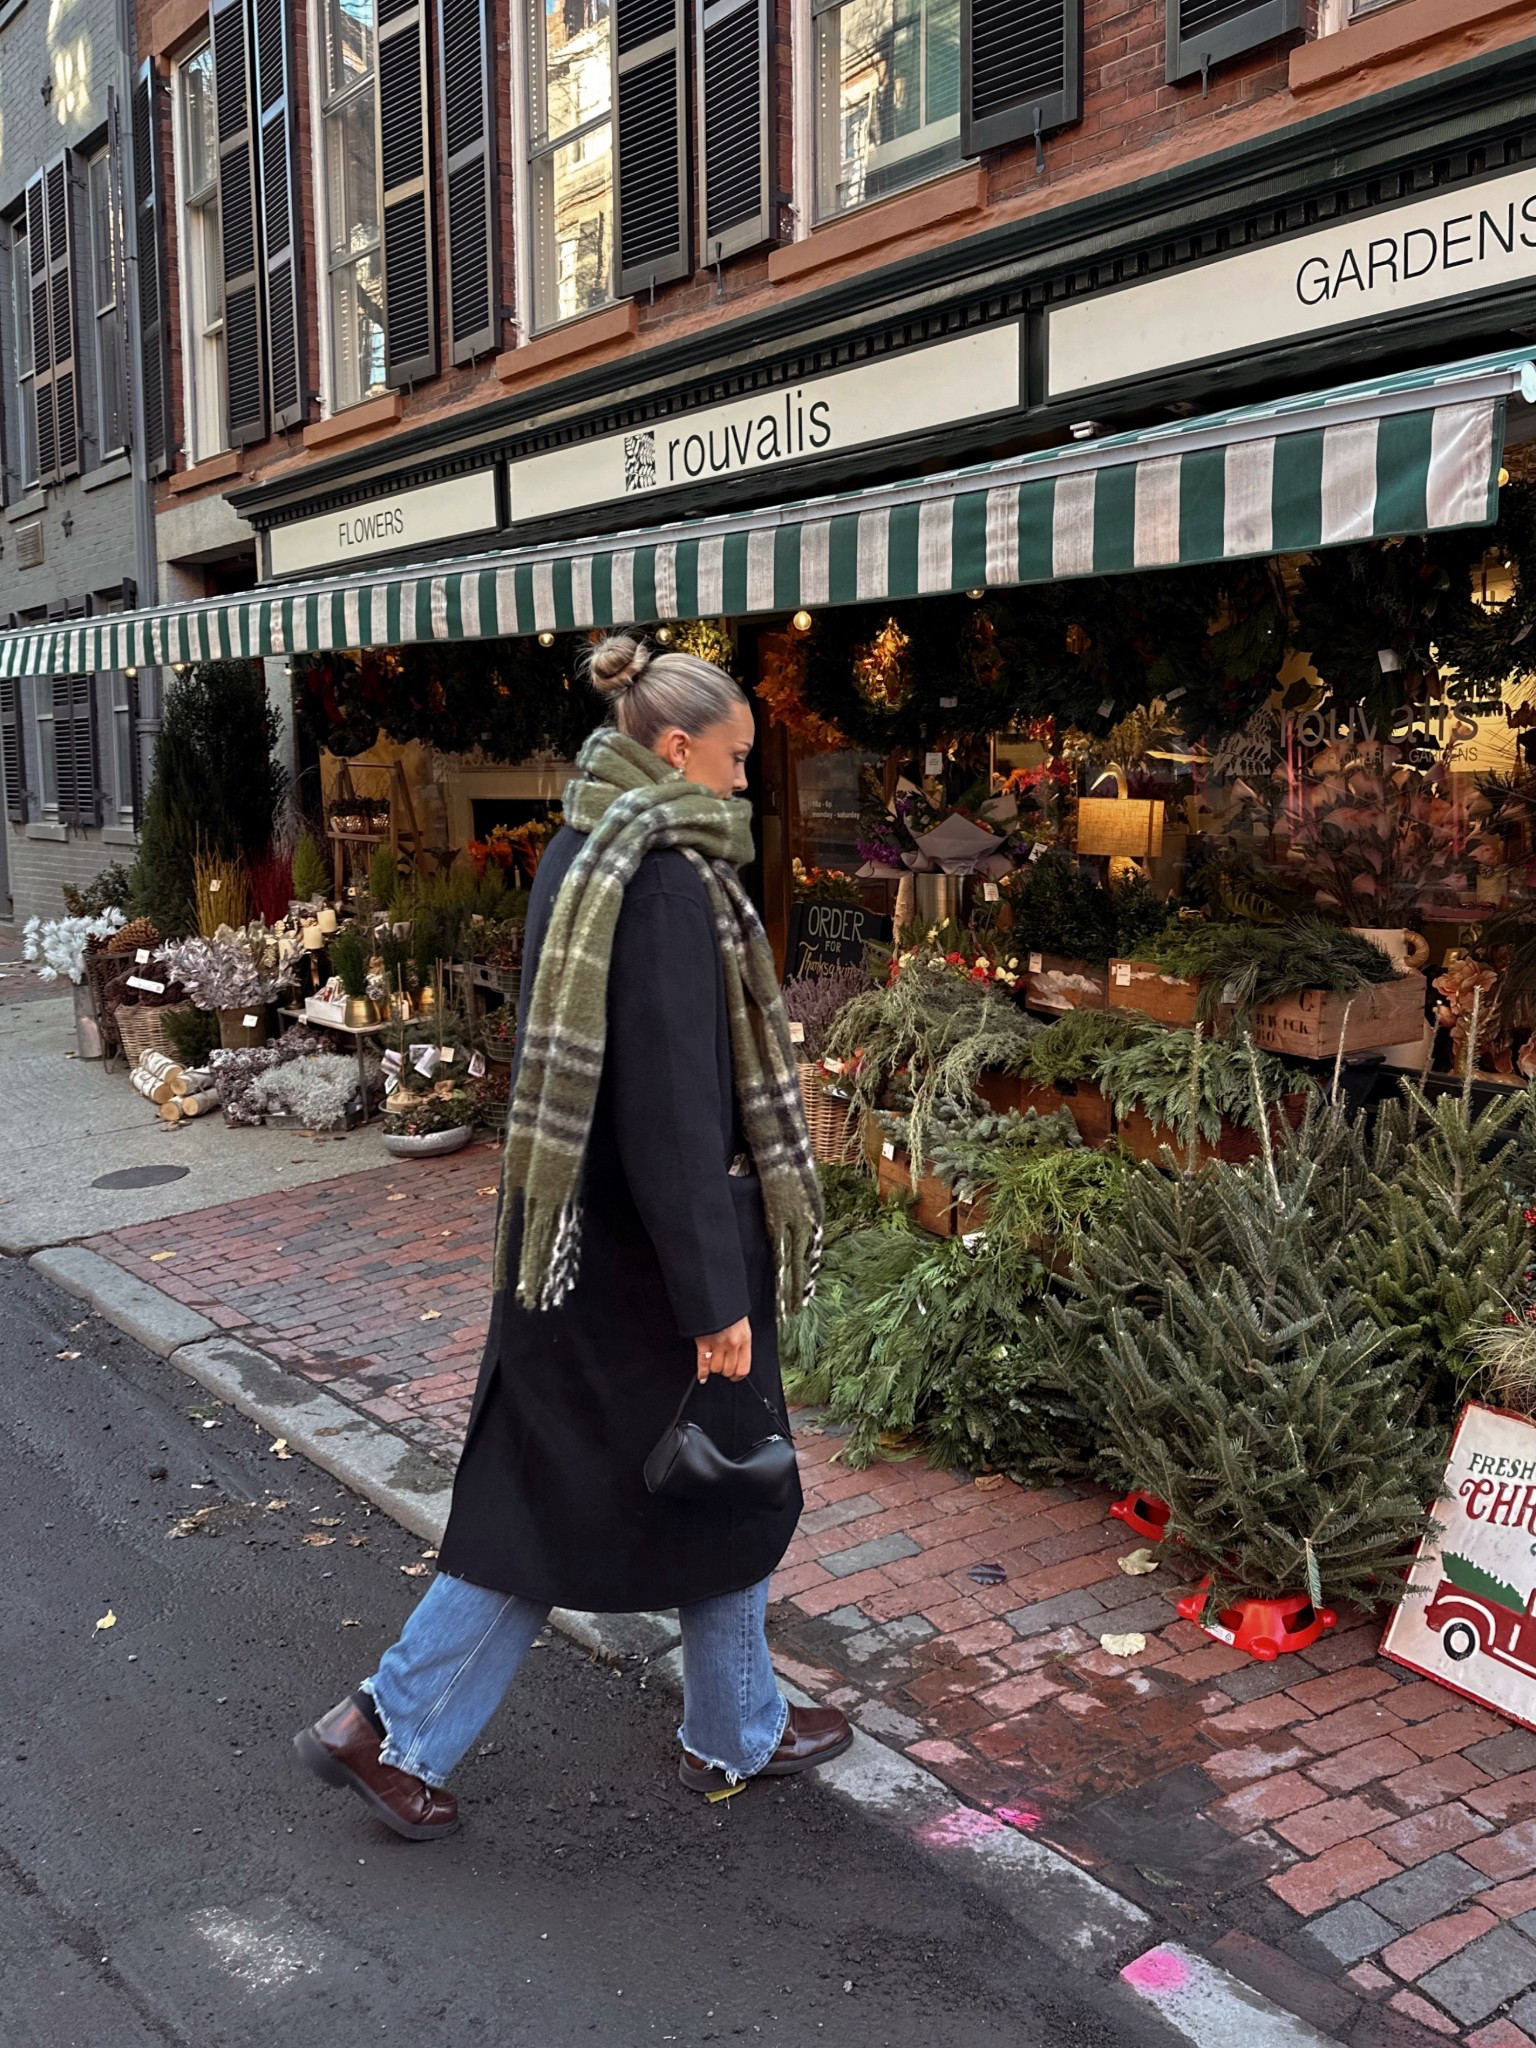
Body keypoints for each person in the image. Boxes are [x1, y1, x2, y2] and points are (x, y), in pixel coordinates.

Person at [294, 632, 846, 1840]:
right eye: (739, 759)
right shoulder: (660, 878)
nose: (748, 783)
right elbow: (669, 1111)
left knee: (666, 1486)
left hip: (582, 1255)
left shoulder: (587, 850)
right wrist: (714, 1299)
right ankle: (393, 1723)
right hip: (643, 1272)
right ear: (675, 745)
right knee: (634, 1493)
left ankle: (731, 1721)